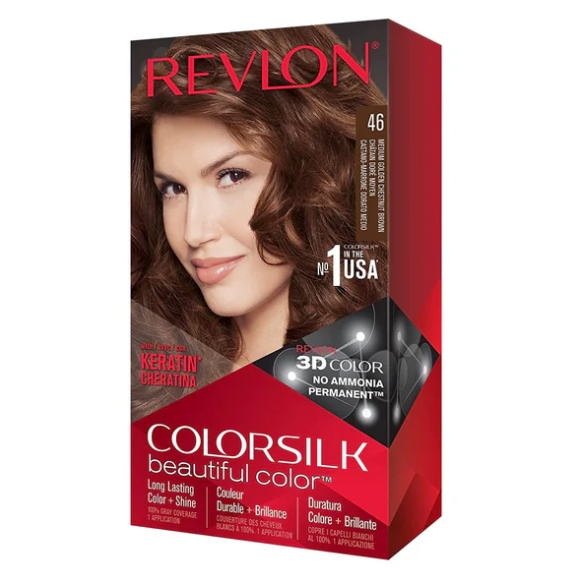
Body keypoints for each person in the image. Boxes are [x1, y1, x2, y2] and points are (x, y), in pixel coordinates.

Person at [131, 25, 388, 418]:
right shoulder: (144, 365)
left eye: (232, 176)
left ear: (321, 173)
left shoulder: (392, 362)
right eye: (173, 189)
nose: (194, 232)